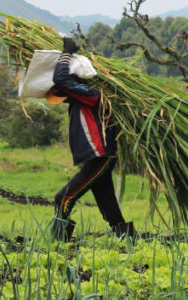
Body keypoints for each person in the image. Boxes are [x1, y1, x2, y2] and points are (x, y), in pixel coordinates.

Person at [49, 36, 135, 241]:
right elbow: (59, 85)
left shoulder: (92, 95)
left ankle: (59, 244)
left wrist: (66, 53)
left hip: (100, 157)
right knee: (108, 205)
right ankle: (128, 240)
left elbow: (60, 79)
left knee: (63, 197)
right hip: (97, 158)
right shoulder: (80, 99)